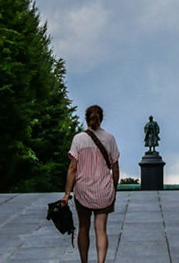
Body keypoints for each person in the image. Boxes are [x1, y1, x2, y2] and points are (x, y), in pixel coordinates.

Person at [61, 105, 120, 263]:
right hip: (103, 190)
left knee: (83, 227)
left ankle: (84, 261)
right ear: (101, 119)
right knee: (101, 230)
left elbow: (72, 167)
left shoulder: (78, 139)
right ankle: (101, 261)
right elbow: (115, 168)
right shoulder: (109, 139)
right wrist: (114, 188)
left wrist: (67, 193)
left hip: (83, 190)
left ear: (86, 119)